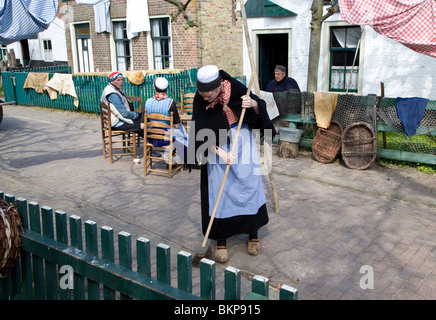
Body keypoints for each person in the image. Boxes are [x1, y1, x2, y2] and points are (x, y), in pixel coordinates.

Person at [188, 65, 275, 263]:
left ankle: (253, 235)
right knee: (220, 190)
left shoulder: (235, 88)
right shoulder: (200, 98)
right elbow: (199, 132)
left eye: (208, 95)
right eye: (202, 94)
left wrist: (251, 103)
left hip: (242, 140)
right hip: (216, 146)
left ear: (219, 87)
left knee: (248, 186)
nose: (205, 98)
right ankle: (221, 241)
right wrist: (220, 153)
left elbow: (259, 106)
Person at [141, 77, 188, 162]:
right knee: (181, 132)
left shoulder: (147, 102)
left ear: (154, 88)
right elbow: (176, 125)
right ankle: (186, 157)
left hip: (152, 138)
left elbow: (142, 126)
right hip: (166, 138)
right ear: (166, 89)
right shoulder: (170, 102)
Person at [100, 71, 143, 136]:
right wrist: (136, 115)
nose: (121, 82)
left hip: (113, 120)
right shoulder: (112, 94)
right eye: (118, 80)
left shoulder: (111, 89)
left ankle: (152, 141)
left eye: (121, 80)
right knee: (142, 124)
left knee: (142, 120)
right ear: (112, 81)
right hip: (116, 122)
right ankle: (154, 142)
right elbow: (124, 113)